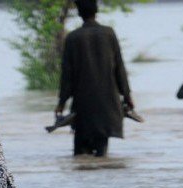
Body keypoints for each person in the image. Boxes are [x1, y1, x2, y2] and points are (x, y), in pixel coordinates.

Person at [56, 0, 133, 157]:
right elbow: (120, 68)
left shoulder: (72, 38)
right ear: (96, 11)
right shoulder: (109, 34)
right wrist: (127, 96)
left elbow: (67, 77)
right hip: (107, 106)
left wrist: (61, 103)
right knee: (101, 156)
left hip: (83, 107)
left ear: (79, 13)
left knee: (80, 156)